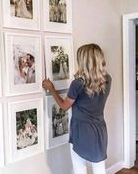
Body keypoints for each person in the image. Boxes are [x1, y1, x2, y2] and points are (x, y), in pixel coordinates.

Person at [42, 44, 112, 174]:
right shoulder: (107, 80)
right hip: (100, 129)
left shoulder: (78, 84)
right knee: (99, 168)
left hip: (82, 130)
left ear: (84, 62)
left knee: (80, 168)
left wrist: (51, 89)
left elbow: (64, 106)